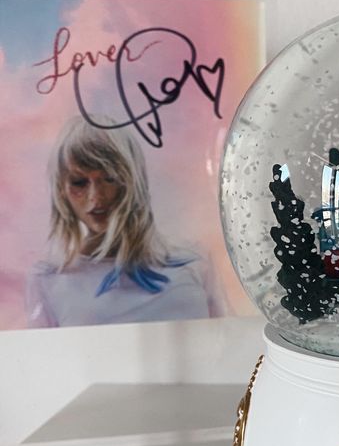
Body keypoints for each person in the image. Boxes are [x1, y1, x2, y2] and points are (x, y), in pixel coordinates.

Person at [27, 116, 227, 328]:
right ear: (62, 189)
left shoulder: (194, 262)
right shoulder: (48, 281)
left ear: (132, 179)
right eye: (79, 182)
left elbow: (231, 344)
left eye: (109, 178)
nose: (96, 196)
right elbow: (38, 359)